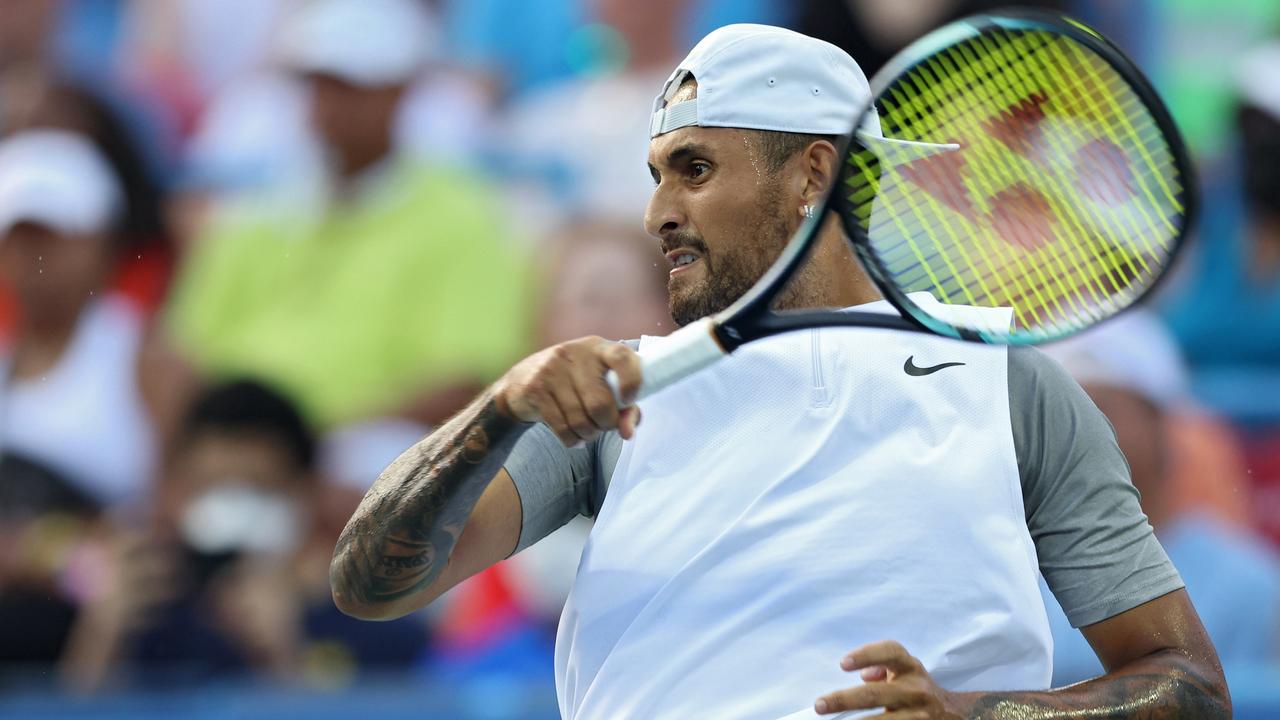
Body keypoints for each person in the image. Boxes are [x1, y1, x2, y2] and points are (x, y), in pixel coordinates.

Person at [331, 25, 1229, 719]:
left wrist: (978, 711)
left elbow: (1185, 685)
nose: (655, 213)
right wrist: (496, 412)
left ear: (814, 174)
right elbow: (371, 584)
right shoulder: (619, 394)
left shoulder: (1007, 383)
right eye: (655, 175)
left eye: (693, 169)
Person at [165, 0, 531, 429]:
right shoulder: (257, 211)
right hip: (247, 444)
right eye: (319, 85)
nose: (328, 104)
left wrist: (324, 446)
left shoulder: (464, 215)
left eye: (349, 86)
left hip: (376, 453)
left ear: (400, 92)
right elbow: (183, 350)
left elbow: (464, 377)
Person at [1039, 311, 1280, 685]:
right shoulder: (1016, 572)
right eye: (1062, 413)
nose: (1077, 433)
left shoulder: (1252, 582)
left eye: (1100, 408)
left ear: (1161, 424)